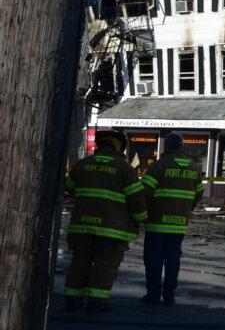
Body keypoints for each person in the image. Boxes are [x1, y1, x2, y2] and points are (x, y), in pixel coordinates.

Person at [63, 130, 146, 312]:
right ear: (119, 148)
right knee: (104, 265)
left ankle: (72, 299)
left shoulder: (82, 165)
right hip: (111, 230)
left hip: (81, 227)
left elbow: (69, 188)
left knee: (79, 262)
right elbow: (136, 200)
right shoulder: (125, 170)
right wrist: (141, 220)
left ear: (99, 146)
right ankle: (96, 302)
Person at [140, 133, 203, 305]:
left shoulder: (158, 166)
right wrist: (185, 209)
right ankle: (169, 296)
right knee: (173, 260)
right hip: (178, 225)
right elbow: (198, 194)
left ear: (165, 147)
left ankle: (153, 295)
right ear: (181, 147)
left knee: (154, 260)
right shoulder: (194, 169)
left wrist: (139, 214)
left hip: (156, 224)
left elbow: (144, 193)